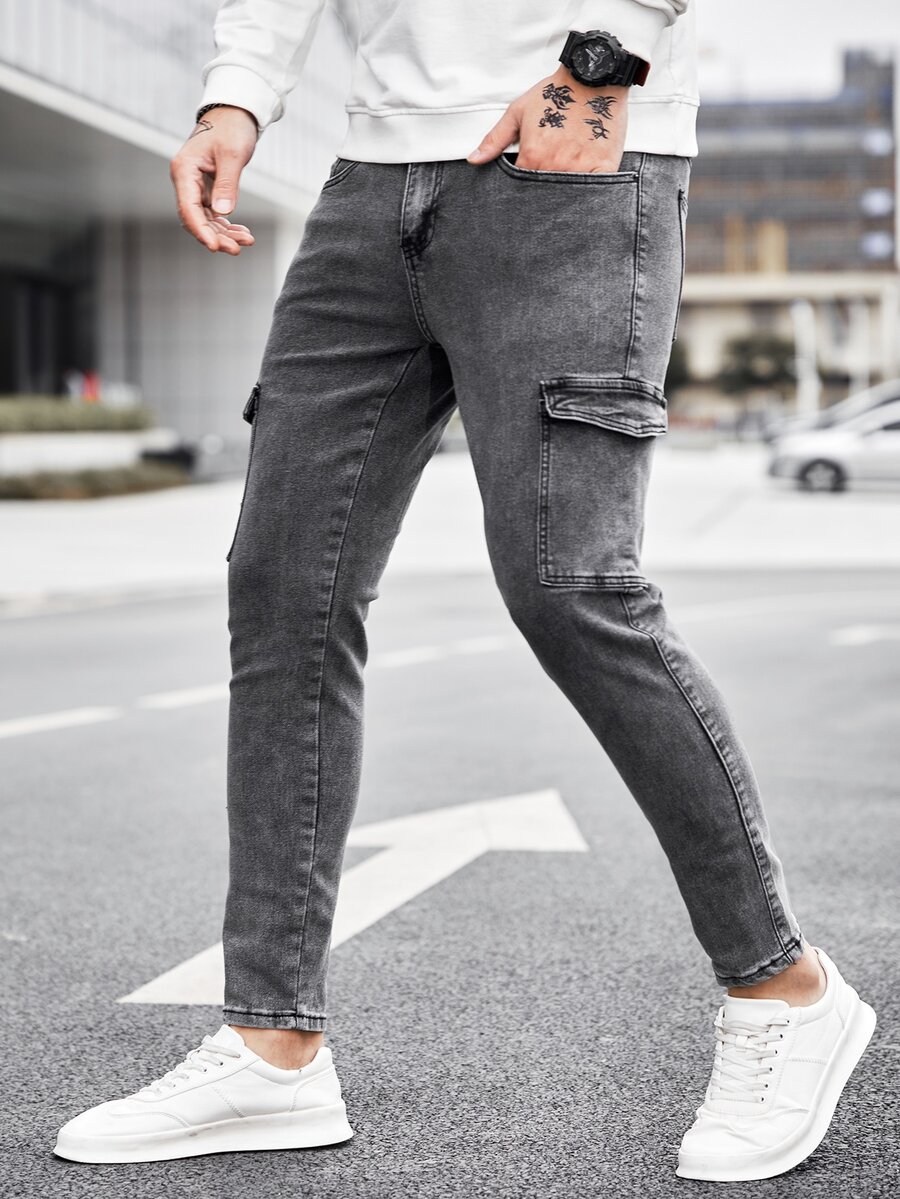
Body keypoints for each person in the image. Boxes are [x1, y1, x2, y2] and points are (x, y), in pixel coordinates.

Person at [54, 0, 876, 1180]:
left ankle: (784, 988)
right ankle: (273, 1043)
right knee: (282, 586)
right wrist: (236, 93)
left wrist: (601, 63)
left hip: (572, 155)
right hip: (369, 181)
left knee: (570, 582)